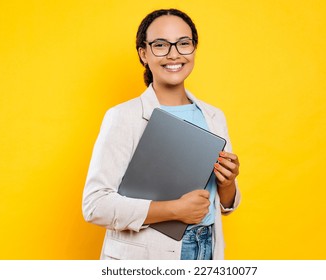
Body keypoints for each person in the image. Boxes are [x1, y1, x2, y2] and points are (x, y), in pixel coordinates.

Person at [82, 8, 241, 260]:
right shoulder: (123, 116)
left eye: (183, 43)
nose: (174, 54)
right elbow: (95, 206)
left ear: (194, 49)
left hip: (207, 246)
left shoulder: (214, 116)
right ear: (143, 53)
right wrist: (174, 210)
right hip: (148, 255)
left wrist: (228, 183)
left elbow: (224, 205)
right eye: (160, 45)